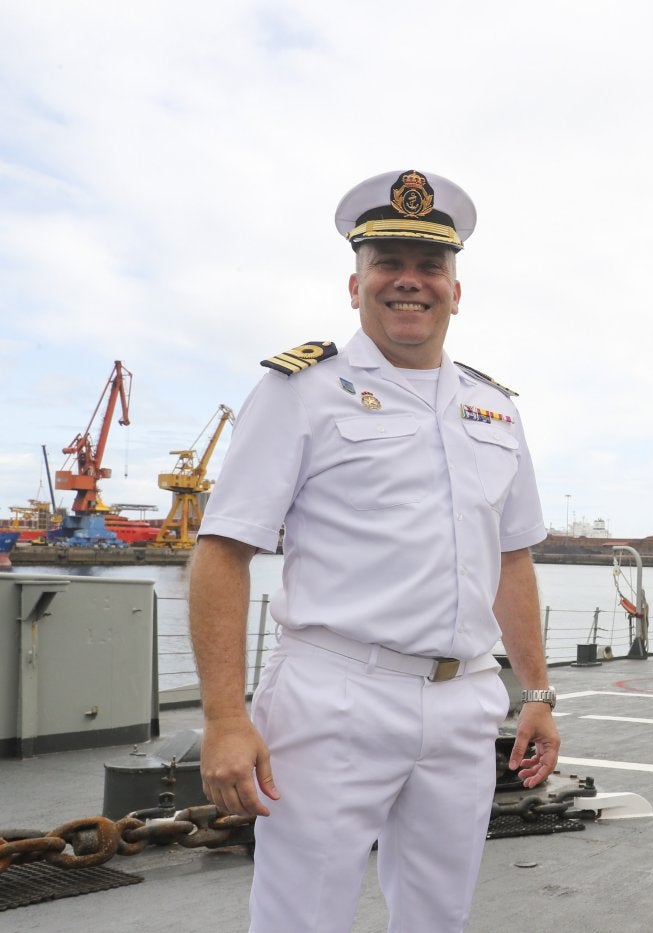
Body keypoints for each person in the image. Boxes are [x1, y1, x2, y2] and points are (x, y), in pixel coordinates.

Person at [188, 168, 559, 933]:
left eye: (430, 266)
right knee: (303, 918)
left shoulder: (494, 408)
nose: (409, 282)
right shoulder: (302, 389)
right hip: (335, 692)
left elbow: (511, 558)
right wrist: (225, 716)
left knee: (438, 917)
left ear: (457, 289)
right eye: (388, 263)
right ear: (355, 284)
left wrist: (539, 693)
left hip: (463, 703)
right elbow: (223, 550)